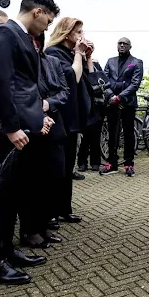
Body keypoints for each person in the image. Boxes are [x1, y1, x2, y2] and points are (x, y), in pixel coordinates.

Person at [0, 0, 59, 285]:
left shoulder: (24, 36)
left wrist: (38, 118)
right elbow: (1, 83)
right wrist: (11, 127)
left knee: (13, 195)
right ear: (38, 11)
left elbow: (25, 87)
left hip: (23, 128)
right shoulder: (4, 33)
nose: (48, 27)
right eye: (48, 21)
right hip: (7, 132)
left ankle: (7, 250)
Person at [19, 32, 69, 249]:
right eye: (31, 41)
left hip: (53, 127)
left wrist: (48, 104)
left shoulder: (53, 62)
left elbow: (64, 91)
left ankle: (44, 224)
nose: (35, 45)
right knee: (30, 182)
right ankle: (30, 230)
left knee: (53, 177)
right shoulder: (20, 62)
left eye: (38, 41)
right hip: (30, 129)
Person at [45, 18, 98, 222]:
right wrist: (78, 53)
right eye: (78, 33)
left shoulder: (72, 54)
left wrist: (88, 57)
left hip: (74, 118)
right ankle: (51, 212)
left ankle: (64, 209)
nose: (82, 37)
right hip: (60, 117)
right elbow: (71, 78)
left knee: (67, 167)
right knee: (57, 168)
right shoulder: (53, 53)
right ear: (66, 34)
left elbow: (91, 79)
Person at [103, 37, 143, 176]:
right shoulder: (110, 61)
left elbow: (135, 83)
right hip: (112, 102)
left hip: (128, 103)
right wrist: (111, 96)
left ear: (130, 46)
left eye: (124, 44)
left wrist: (120, 97)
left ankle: (128, 163)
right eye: (119, 43)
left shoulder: (136, 62)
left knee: (128, 134)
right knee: (112, 133)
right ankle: (112, 163)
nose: (121, 45)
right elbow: (104, 80)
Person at [77, 57, 111, 173]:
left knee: (96, 134)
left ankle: (95, 162)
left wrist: (90, 63)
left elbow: (101, 82)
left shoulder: (95, 64)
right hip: (84, 105)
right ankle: (82, 162)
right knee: (86, 135)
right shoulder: (77, 64)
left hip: (97, 105)